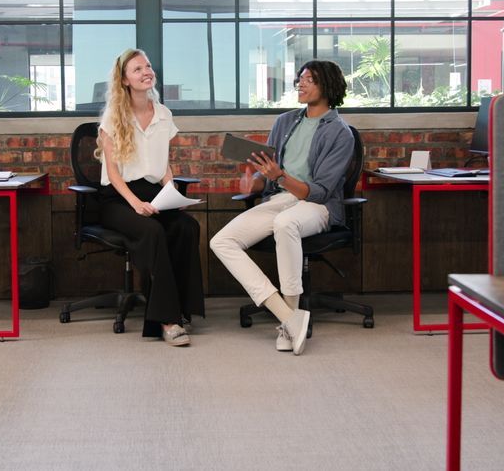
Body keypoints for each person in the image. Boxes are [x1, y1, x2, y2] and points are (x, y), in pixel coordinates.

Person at [210, 60, 354, 355]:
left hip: (317, 205)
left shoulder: (340, 133)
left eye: (309, 79)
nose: (301, 84)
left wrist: (279, 177)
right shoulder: (285, 122)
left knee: (285, 223)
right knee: (221, 241)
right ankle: (288, 317)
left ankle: (290, 320)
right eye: (299, 79)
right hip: (281, 198)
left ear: (328, 85)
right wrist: (255, 181)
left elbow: (320, 191)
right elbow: (269, 175)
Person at [95, 48, 204, 346]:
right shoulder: (113, 117)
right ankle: (167, 321)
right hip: (118, 199)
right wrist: (135, 204)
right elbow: (114, 175)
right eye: (137, 69)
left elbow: (163, 163)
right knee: (154, 231)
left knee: (186, 227)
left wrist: (172, 193)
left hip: (153, 193)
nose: (146, 72)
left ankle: (183, 309)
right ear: (125, 80)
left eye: (148, 66)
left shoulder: (163, 114)